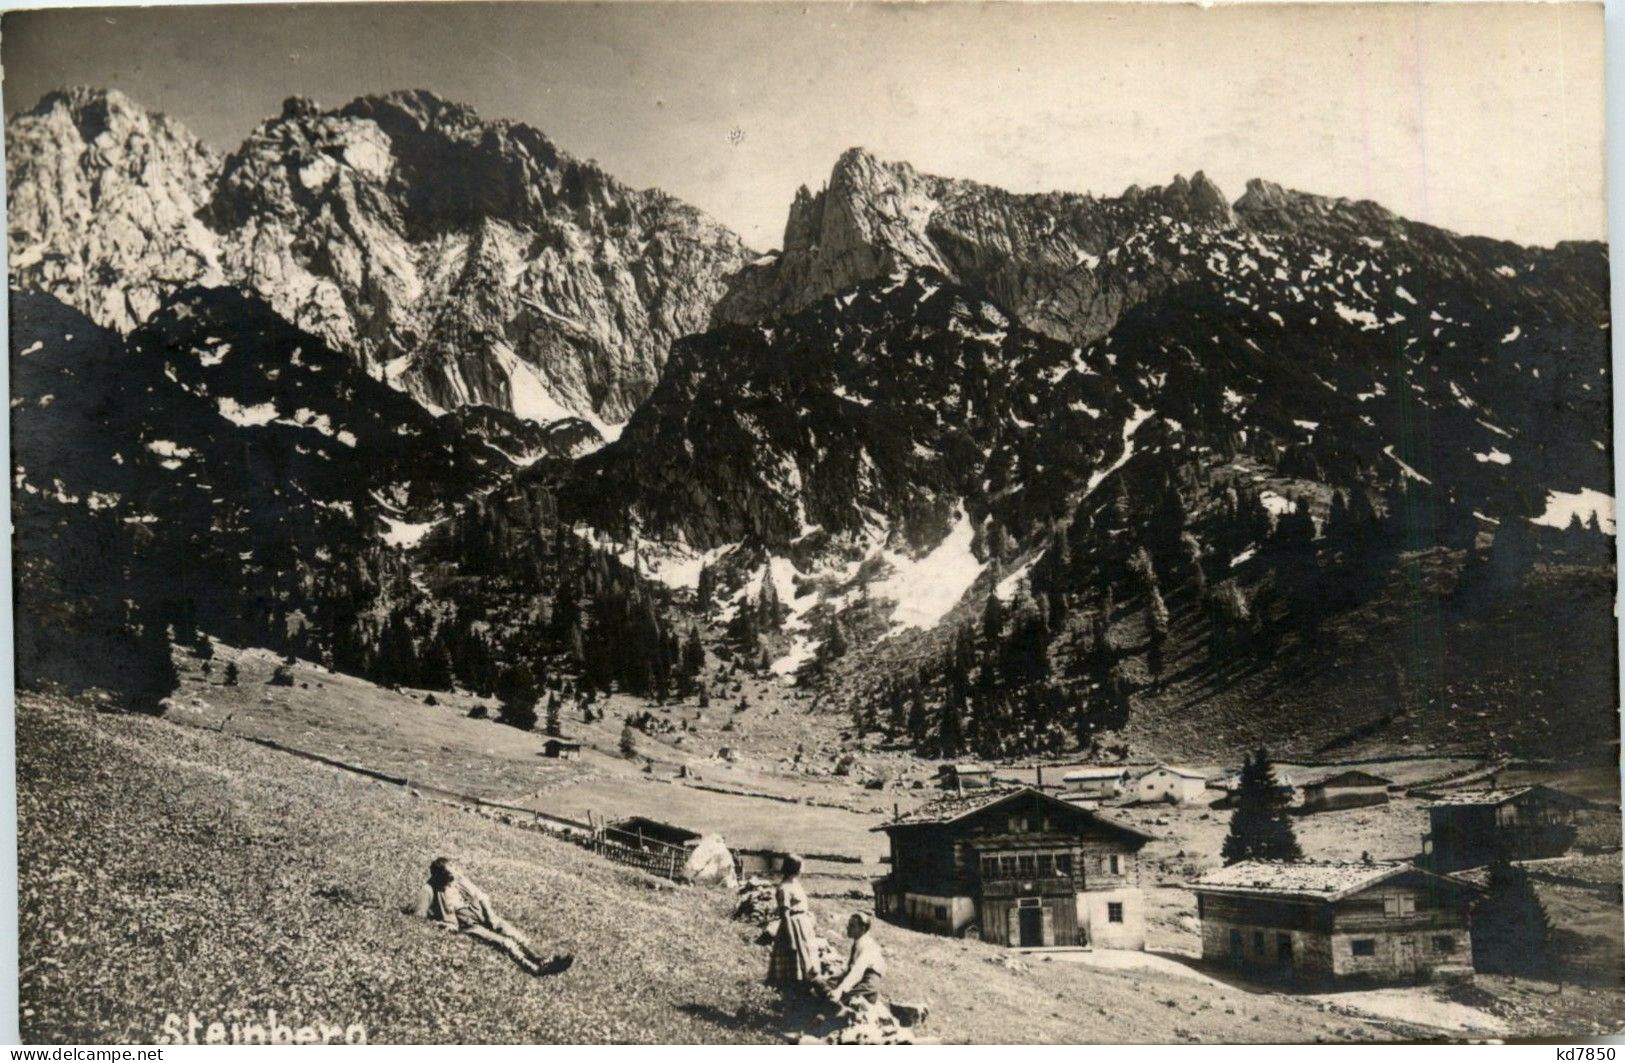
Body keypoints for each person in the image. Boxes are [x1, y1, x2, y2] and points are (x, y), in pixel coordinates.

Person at [412, 857, 569, 976]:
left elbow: (480, 895)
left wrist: (490, 915)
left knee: (513, 933)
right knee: (504, 943)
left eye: (453, 872)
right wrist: (443, 924)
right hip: (468, 924)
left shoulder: (457, 878)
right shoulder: (428, 889)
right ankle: (535, 970)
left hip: (480, 912)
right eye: (449, 875)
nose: (453, 878)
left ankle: (542, 959)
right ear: (439, 876)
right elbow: (419, 916)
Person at [765, 854, 821, 988]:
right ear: (795, 868)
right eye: (801, 866)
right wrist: (791, 939)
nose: (803, 869)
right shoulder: (784, 888)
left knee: (807, 956)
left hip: (803, 925)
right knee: (794, 956)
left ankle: (807, 985)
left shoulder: (795, 884)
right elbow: (785, 915)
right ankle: (793, 990)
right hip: (793, 926)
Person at [826, 912, 886, 1007]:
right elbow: (849, 967)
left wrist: (840, 990)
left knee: (838, 999)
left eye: (852, 926)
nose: (848, 928)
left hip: (868, 983)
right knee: (827, 985)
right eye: (848, 924)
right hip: (861, 979)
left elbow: (857, 971)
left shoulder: (867, 945)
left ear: (862, 929)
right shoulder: (858, 942)